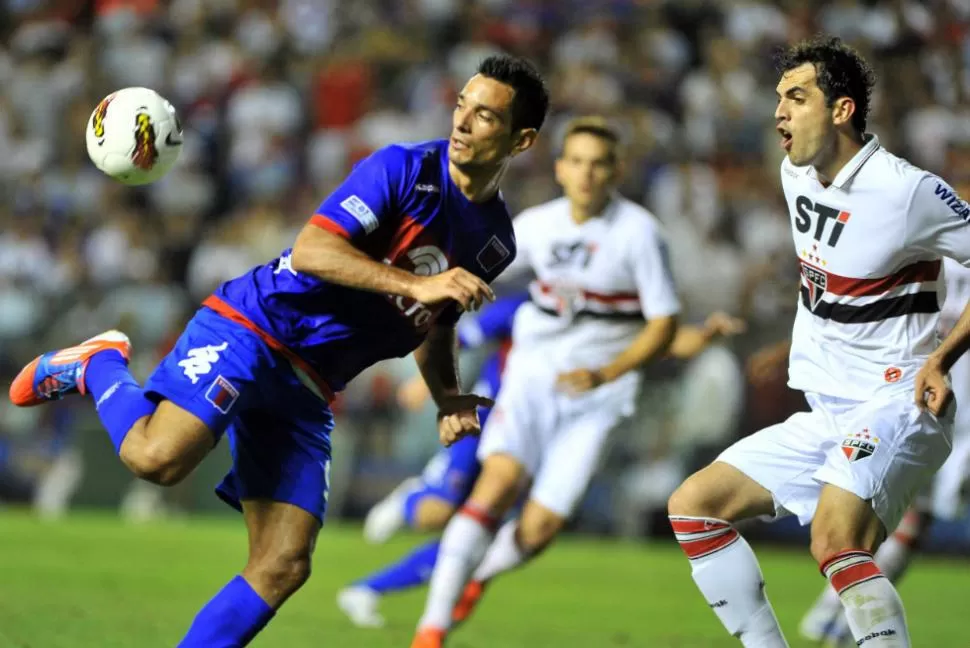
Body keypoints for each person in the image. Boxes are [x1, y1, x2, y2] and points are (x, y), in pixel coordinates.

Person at [7, 54, 549, 647]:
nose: (463, 122)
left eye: (485, 116)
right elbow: (315, 249)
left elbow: (435, 320)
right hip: (258, 327)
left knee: (285, 564)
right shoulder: (401, 168)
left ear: (521, 140)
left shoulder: (496, 242)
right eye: (460, 106)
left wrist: (446, 395)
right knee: (157, 460)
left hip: (313, 385)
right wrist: (415, 282)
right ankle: (99, 363)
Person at [667, 35, 970, 647]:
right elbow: (830, 284)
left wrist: (942, 357)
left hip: (897, 402)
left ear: (842, 110)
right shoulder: (795, 174)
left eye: (796, 98)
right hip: (827, 408)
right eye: (779, 98)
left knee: (835, 540)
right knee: (694, 505)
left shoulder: (907, 191)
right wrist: (790, 348)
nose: (778, 111)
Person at [412, 116, 682, 648]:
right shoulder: (534, 226)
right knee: (495, 487)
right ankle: (432, 629)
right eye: (576, 161)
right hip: (532, 380)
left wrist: (606, 372)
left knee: (538, 531)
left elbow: (665, 325)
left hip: (600, 397)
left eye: (599, 163)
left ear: (616, 171)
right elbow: (475, 271)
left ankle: (479, 577)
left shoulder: (640, 233)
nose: (586, 173)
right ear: (560, 168)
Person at [799, 257, 970, 646]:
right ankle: (838, 612)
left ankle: (835, 614)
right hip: (928, 400)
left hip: (929, 402)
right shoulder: (938, 237)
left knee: (906, 515)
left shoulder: (933, 242)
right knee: (897, 515)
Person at [337, 292, 526, 629]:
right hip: (486, 420)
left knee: (480, 538)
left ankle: (367, 590)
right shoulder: (523, 306)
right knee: (437, 512)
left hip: (531, 438)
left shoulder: (603, 320)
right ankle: (410, 498)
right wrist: (427, 383)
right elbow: (463, 338)